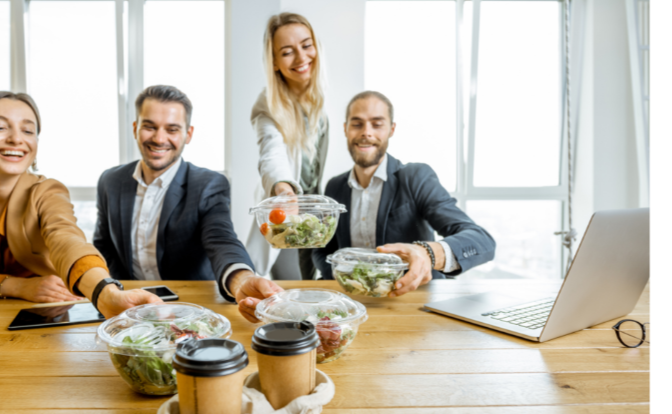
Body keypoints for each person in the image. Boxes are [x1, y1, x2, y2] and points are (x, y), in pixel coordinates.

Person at [253, 91, 496, 318]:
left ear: (391, 129)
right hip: (351, 309)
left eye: (377, 124)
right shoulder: (334, 188)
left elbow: (481, 241)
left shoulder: (416, 177)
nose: (366, 132)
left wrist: (429, 253)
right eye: (357, 123)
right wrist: (343, 276)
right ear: (345, 129)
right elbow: (321, 250)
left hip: (414, 309)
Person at [0, 91, 163, 318]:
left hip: (41, 314)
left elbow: (68, 241)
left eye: (28, 131)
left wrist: (106, 293)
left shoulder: (47, 191)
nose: (16, 139)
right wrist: (18, 286)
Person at [94, 85, 283, 315]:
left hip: (192, 308)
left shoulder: (209, 185)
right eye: (149, 126)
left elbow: (221, 240)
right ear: (135, 128)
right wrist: (106, 291)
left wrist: (241, 280)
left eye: (172, 129)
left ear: (188, 134)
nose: (159, 138)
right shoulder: (110, 181)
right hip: (128, 308)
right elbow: (103, 248)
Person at [245, 12, 330, 281]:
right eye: (287, 52)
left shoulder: (326, 96)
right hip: (290, 216)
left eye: (306, 45)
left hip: (323, 218)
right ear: (274, 63)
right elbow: (271, 152)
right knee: (291, 288)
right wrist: (283, 190)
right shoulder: (267, 104)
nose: (302, 58)